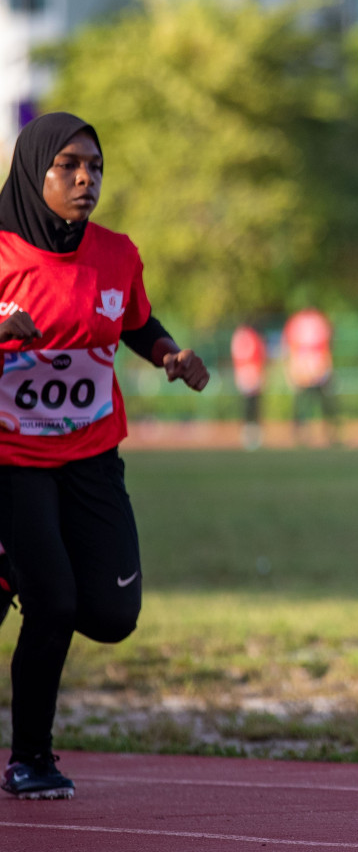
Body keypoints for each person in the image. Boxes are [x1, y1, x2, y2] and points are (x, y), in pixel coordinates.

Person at [0, 113, 209, 800]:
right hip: (12, 455)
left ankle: (8, 573)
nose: (87, 179)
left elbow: (135, 322)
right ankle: (31, 759)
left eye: (95, 167)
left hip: (91, 452)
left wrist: (170, 355)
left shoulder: (116, 252)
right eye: (69, 165)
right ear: (35, 170)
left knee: (113, 616)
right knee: (54, 602)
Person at [283, 307, 337, 446]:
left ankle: (327, 433)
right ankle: (308, 433)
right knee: (308, 402)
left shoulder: (298, 322)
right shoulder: (317, 321)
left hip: (309, 367)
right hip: (311, 367)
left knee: (315, 402)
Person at [230, 322, 266, 450]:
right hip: (251, 373)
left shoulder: (239, 336)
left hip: (244, 374)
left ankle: (249, 434)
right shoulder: (250, 336)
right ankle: (251, 434)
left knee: (249, 406)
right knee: (251, 406)